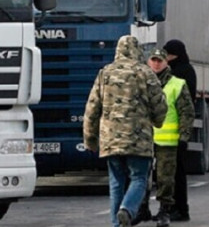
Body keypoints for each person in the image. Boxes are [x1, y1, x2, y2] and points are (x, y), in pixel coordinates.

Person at [83, 35, 168, 227]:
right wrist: (158, 121)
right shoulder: (146, 73)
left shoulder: (105, 73)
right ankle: (127, 210)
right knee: (138, 178)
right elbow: (159, 105)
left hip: (111, 139)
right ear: (138, 51)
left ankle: (117, 224)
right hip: (139, 139)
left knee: (116, 182)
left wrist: (90, 139)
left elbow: (92, 108)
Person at [144, 47, 195, 227]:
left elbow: (187, 113)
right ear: (148, 62)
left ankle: (165, 209)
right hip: (144, 140)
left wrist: (184, 136)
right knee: (142, 176)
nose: (156, 64)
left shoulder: (177, 84)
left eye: (160, 60)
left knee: (165, 178)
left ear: (166, 62)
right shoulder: (141, 83)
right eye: (153, 60)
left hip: (168, 141)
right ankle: (143, 209)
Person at [164, 40, 196, 222]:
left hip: (176, 129)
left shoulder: (179, 73)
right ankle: (177, 207)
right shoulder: (187, 70)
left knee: (176, 173)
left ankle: (180, 208)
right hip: (174, 130)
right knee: (174, 172)